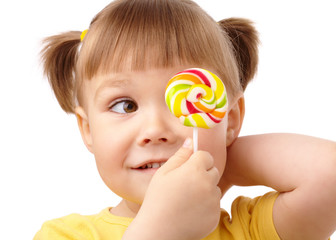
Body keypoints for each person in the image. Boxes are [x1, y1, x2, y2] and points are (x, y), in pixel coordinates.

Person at [34, 0, 336, 239]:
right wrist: (158, 231)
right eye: (125, 106)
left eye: (182, 101)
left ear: (228, 120)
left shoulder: (249, 231)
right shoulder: (64, 236)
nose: (154, 131)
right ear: (88, 130)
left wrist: (221, 163)